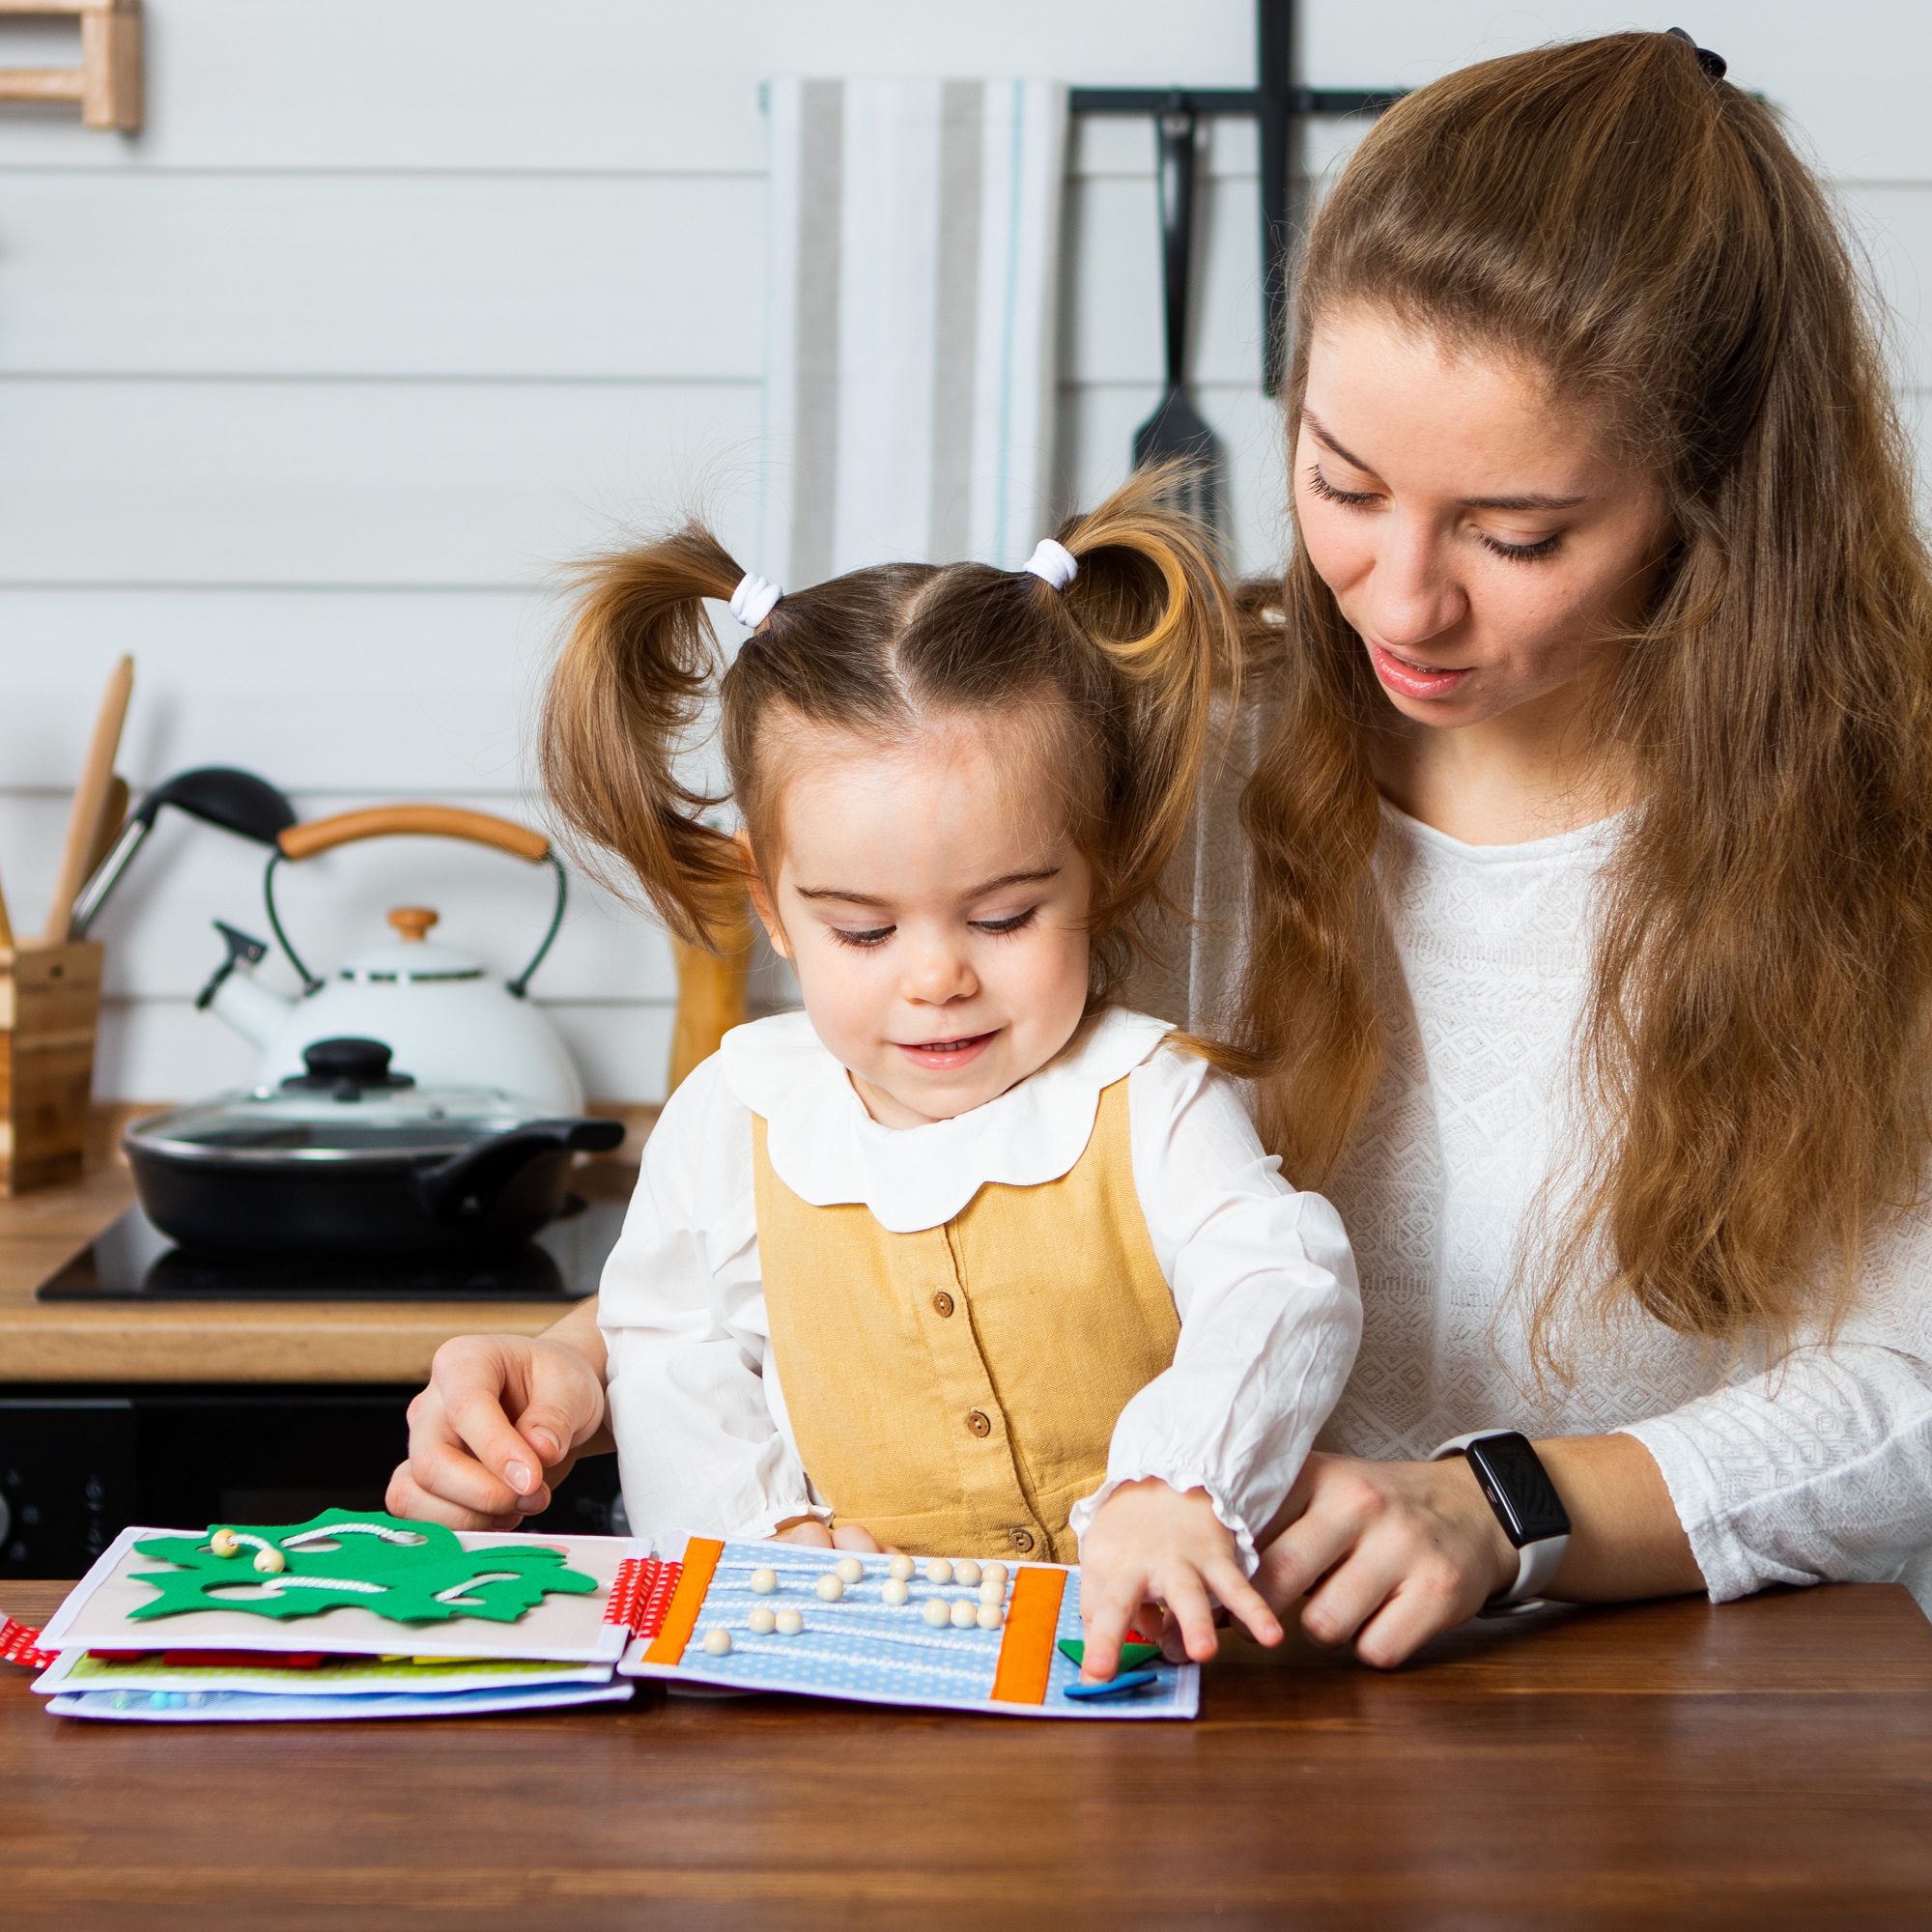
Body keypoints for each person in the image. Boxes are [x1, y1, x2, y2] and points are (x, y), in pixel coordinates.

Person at [391, 28, 1932, 1667]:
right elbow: (954, 1135)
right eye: (1341, 482)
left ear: (1712, 494)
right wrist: (594, 1359)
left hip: (1636, 1723)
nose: (1399, 599)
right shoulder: (1184, 749)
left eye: (1515, 533)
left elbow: (1907, 1402)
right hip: (1178, 1695)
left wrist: (1507, 1510)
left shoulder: (1877, 825)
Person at [420, 471, 1361, 1678]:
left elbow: (1277, 1278)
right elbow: (667, 1345)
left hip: (1168, 1675)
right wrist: (767, 1535)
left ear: (1097, 872)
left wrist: (1179, 1481)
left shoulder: (1150, 1095)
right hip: (852, 1671)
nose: (935, 979)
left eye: (1007, 915)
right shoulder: (738, 1113)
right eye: (863, 933)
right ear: (773, 908)